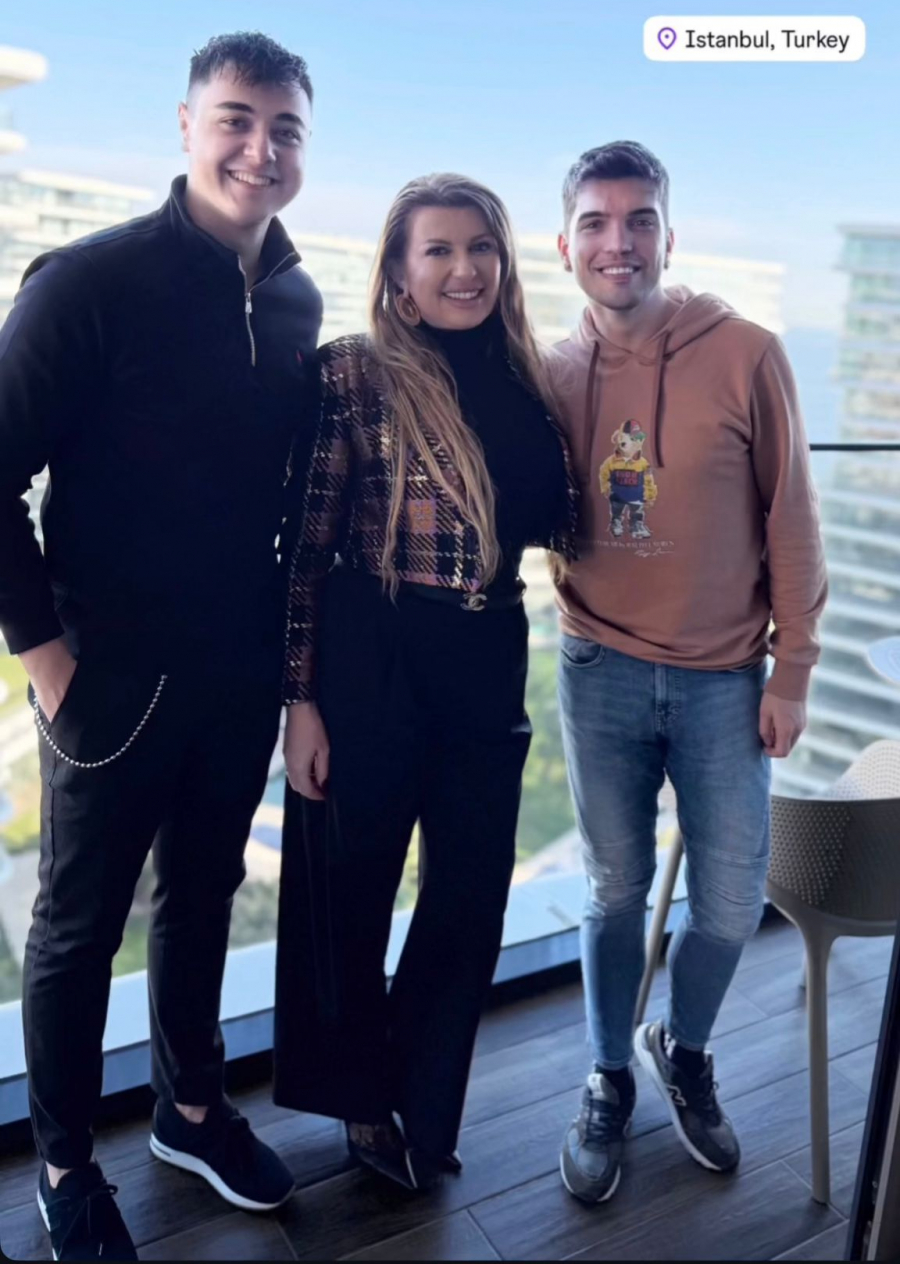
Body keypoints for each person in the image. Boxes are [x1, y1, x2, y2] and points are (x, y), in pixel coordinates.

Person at [0, 32, 322, 1261]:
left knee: (202, 894)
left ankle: (189, 1112)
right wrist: (50, 663)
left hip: (239, 669)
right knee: (80, 927)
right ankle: (65, 1166)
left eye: (285, 128)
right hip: (110, 677)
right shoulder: (89, 283)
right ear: (186, 125)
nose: (260, 148)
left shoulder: (295, 301)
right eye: (236, 118)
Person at [274, 173, 578, 1190]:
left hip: (491, 648)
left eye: (480, 246)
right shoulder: (356, 371)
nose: (464, 268)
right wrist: (299, 700)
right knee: (355, 887)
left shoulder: (530, 375)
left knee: (470, 896)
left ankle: (425, 1096)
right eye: (438, 250)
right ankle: (364, 1101)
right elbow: (306, 550)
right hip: (377, 646)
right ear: (399, 275)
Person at [549, 141, 827, 1206]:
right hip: (598, 665)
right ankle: (607, 1074)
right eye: (595, 221)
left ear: (671, 235)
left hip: (725, 675)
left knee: (730, 900)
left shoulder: (747, 352)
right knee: (613, 893)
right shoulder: (552, 370)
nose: (617, 242)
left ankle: (683, 1046)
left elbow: (791, 516)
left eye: (639, 220)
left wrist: (793, 668)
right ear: (566, 243)